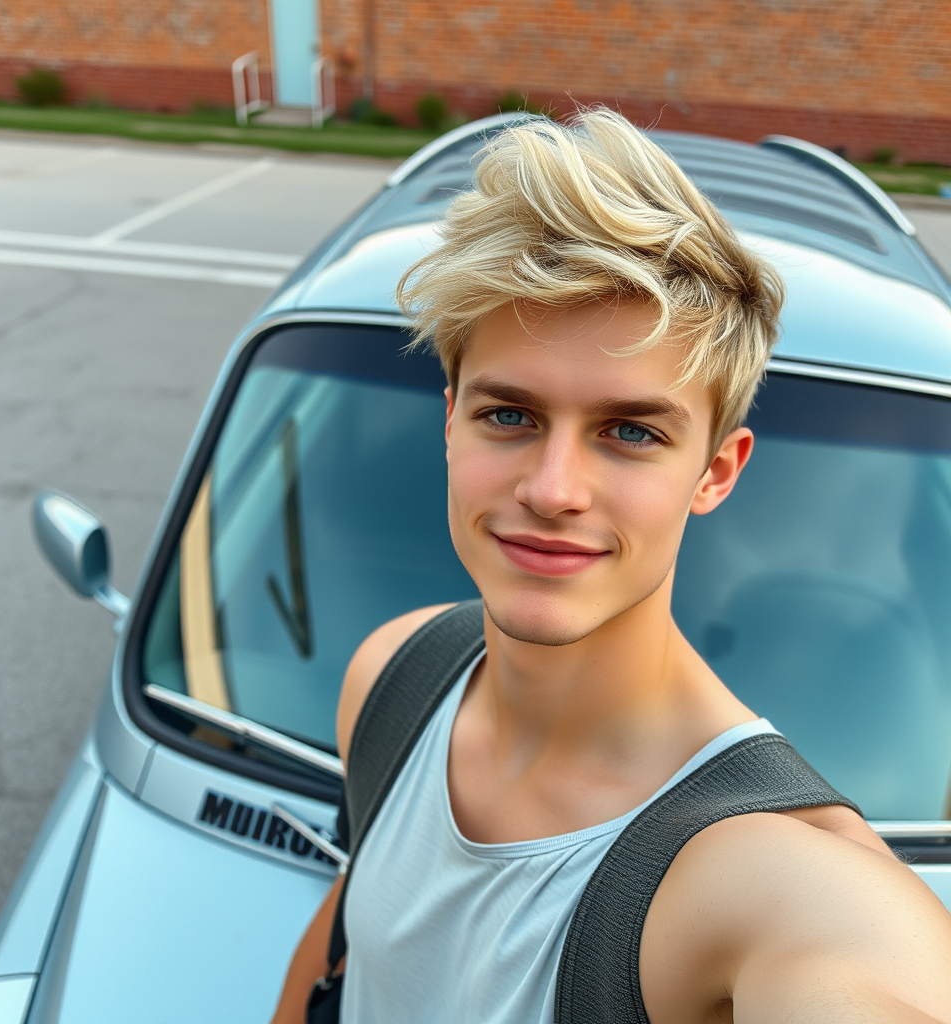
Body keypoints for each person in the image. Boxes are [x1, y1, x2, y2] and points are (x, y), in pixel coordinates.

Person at [271, 110, 951, 1024]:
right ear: (448, 423)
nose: (553, 489)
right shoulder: (391, 678)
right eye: (507, 415)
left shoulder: (769, 873)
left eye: (631, 432)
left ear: (716, 471)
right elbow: (346, 960)